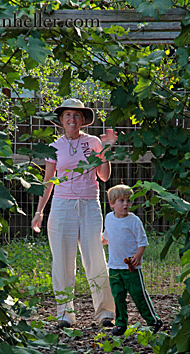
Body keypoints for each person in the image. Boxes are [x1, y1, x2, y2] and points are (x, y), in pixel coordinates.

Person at [31, 98, 117, 329]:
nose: (72, 119)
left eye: (77, 115)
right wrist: (39, 211)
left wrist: (106, 149)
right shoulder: (54, 147)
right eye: (68, 115)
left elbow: (104, 176)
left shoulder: (94, 142)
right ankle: (65, 315)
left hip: (89, 205)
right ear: (61, 120)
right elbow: (48, 181)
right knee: (62, 261)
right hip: (61, 208)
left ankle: (105, 313)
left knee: (96, 259)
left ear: (83, 120)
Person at [102, 184, 163, 336]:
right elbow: (106, 238)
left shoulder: (134, 221)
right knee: (118, 295)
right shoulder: (109, 218)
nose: (125, 204)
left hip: (131, 267)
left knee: (138, 294)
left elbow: (142, 242)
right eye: (121, 201)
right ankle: (121, 323)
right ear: (112, 204)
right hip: (114, 266)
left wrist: (138, 256)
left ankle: (154, 320)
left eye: (128, 201)